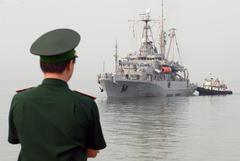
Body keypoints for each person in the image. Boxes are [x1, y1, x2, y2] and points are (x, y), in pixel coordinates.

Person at [8, 28, 106, 161]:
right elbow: (92, 152)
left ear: (41, 64)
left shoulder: (19, 100)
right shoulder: (85, 104)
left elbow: (16, 139)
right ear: (71, 64)